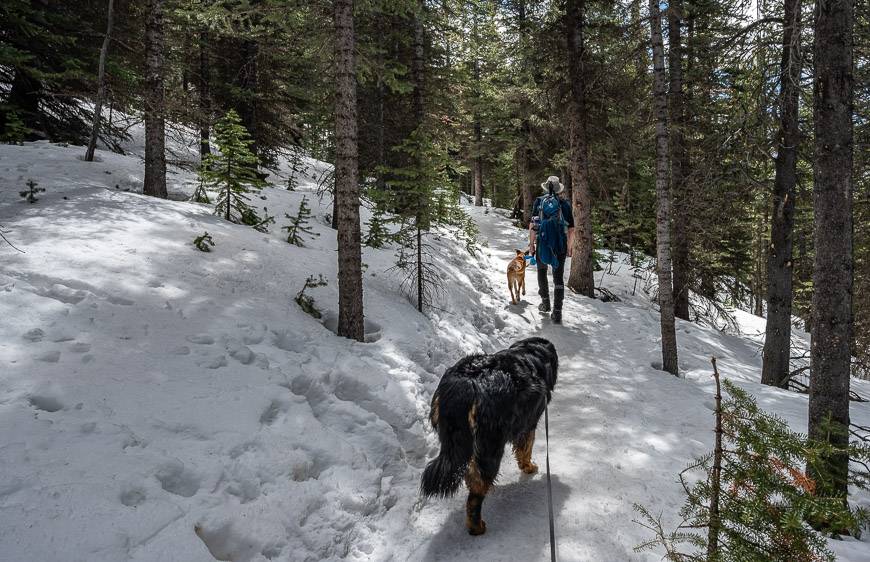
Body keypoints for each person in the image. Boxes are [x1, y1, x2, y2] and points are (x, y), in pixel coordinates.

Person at [529, 175, 574, 324]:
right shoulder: (564, 204)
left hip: (543, 243)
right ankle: (557, 312)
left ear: (546, 187)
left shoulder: (539, 202)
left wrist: (531, 246)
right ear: (558, 189)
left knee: (541, 272)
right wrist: (569, 247)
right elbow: (571, 229)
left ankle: (545, 302)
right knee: (558, 277)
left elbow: (533, 226)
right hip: (559, 245)